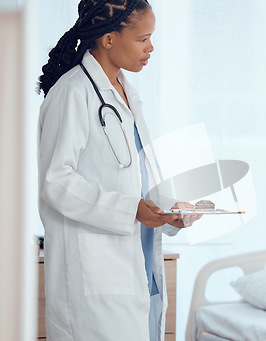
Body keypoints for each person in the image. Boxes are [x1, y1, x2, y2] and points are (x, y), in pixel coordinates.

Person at [37, 1, 199, 340]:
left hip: (134, 262)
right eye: (143, 39)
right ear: (108, 39)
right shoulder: (72, 93)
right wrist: (131, 209)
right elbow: (56, 182)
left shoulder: (125, 93)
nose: (151, 48)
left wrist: (167, 210)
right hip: (94, 276)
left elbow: (134, 175)